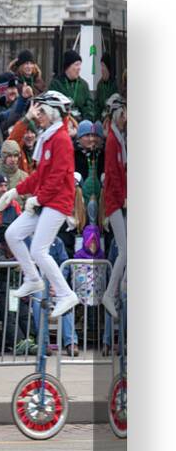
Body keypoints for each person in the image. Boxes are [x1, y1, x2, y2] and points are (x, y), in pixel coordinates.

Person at [0, 90, 80, 319]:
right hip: (45, 201)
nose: (39, 116)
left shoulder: (61, 139)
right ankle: (33, 278)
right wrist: (16, 191)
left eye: (42, 111)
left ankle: (65, 294)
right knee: (13, 234)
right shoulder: (48, 137)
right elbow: (38, 176)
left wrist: (38, 199)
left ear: (53, 113)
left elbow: (56, 177)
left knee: (38, 249)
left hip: (57, 202)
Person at [100, 94, 127, 319]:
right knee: (125, 250)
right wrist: (123, 198)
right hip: (115, 201)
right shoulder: (112, 141)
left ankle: (118, 289)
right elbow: (114, 175)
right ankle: (111, 292)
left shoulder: (118, 139)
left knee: (127, 250)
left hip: (118, 200)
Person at [49, 50, 95, 122]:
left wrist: (85, 122)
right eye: (76, 64)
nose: (79, 68)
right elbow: (52, 107)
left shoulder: (83, 85)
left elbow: (89, 107)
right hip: (63, 123)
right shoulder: (56, 84)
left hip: (81, 124)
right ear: (68, 66)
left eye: (80, 64)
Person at [0, 140, 29, 204]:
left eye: (15, 156)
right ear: (3, 157)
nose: (13, 159)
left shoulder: (24, 177)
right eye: (9, 156)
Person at [96, 53, 119, 121]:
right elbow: (97, 106)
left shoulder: (115, 84)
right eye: (101, 66)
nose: (102, 69)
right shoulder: (100, 85)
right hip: (102, 119)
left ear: (108, 68)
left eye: (103, 66)